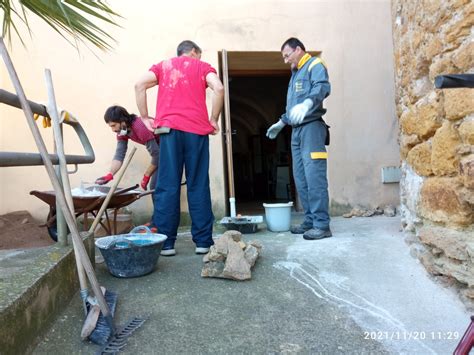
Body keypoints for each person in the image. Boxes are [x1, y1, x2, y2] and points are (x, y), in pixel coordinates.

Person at [135, 40, 224, 256]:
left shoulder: (164, 66)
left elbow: (139, 85)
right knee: (198, 184)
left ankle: (166, 243)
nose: (199, 60)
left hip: (169, 131)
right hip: (196, 132)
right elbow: (219, 88)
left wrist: (145, 117)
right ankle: (203, 242)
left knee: (167, 185)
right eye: (199, 56)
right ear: (193, 52)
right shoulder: (202, 67)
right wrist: (214, 119)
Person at [266, 37, 332, 240]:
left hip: (312, 128)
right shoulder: (295, 74)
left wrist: (308, 103)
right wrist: (282, 122)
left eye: (287, 55)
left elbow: (322, 87)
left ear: (299, 49)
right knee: (301, 178)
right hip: (296, 131)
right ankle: (310, 220)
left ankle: (322, 225)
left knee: (315, 178)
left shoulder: (315, 64)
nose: (286, 60)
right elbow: (293, 106)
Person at [95, 105, 160, 191]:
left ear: (122, 121)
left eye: (114, 125)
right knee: (155, 188)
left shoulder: (139, 126)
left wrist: (147, 175)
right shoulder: (123, 131)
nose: (113, 130)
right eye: (111, 126)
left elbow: (157, 155)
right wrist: (110, 174)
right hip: (161, 152)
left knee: (157, 187)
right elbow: (119, 155)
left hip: (170, 148)